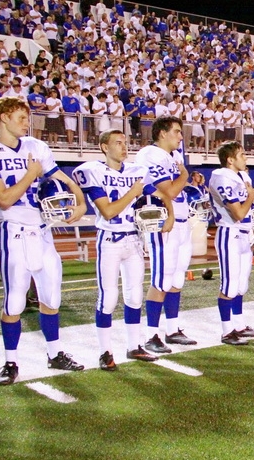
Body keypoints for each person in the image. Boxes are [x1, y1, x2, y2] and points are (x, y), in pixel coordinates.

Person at [0, 97, 88, 386]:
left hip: (43, 231)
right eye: (21, 117)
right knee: (14, 302)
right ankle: (10, 362)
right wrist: (31, 173)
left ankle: (55, 353)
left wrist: (81, 203)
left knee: (51, 298)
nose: (27, 123)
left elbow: (67, 180)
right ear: (4, 117)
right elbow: (4, 199)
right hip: (14, 230)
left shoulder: (37, 147)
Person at [73, 129, 172, 370]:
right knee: (108, 299)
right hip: (109, 240)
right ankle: (105, 351)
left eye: (125, 142)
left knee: (134, 296)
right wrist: (132, 192)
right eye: (118, 143)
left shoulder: (136, 171)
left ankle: (133, 345)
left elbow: (159, 193)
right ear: (104, 147)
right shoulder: (93, 171)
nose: (124, 146)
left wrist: (170, 214)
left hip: (134, 240)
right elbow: (108, 211)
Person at [135, 116, 198, 353]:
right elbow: (169, 190)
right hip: (163, 223)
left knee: (177, 279)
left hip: (181, 222)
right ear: (162, 133)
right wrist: (184, 176)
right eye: (177, 132)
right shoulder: (150, 154)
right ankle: (151, 334)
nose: (181, 137)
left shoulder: (173, 156)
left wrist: (182, 176)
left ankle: (172, 329)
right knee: (161, 279)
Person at [207, 141, 254, 345]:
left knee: (241, 285)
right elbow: (239, 213)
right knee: (229, 286)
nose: (245, 158)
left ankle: (239, 325)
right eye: (241, 154)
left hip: (243, 235)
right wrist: (250, 197)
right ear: (230, 160)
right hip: (229, 233)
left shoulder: (242, 176)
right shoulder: (222, 178)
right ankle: (226, 330)